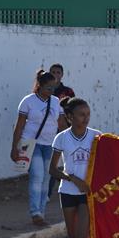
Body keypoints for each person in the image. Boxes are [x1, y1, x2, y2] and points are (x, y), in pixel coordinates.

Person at [49, 97, 105, 238]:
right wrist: (73, 178)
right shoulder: (61, 138)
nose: (86, 118)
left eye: (88, 114)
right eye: (82, 115)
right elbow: (53, 169)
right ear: (70, 117)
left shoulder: (97, 136)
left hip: (87, 194)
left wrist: (91, 183)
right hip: (68, 192)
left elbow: (108, 161)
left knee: (82, 236)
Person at [11, 70, 67, 226]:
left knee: (46, 179)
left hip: (49, 145)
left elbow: (61, 125)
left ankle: (41, 212)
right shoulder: (28, 101)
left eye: (53, 88)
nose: (51, 91)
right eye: (48, 88)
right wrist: (14, 147)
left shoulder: (56, 102)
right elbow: (19, 125)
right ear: (40, 85)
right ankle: (35, 212)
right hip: (32, 144)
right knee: (37, 176)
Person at [47, 63, 76, 199]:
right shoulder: (46, 90)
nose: (55, 75)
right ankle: (48, 191)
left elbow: (73, 108)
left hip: (63, 128)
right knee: (52, 159)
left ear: (62, 74)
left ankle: (65, 181)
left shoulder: (68, 91)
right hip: (48, 129)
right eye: (53, 72)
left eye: (58, 72)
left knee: (64, 159)